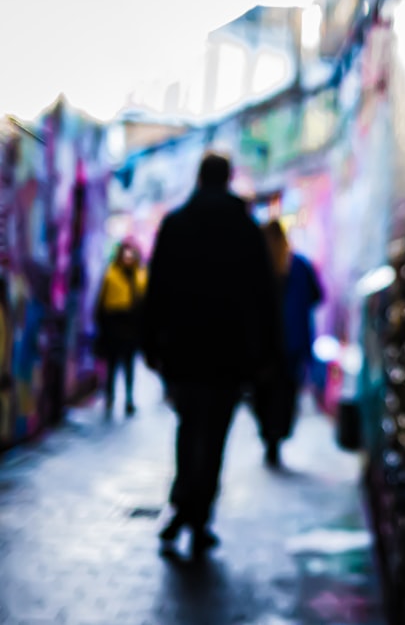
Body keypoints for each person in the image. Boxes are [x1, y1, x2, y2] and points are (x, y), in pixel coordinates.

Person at [141, 152, 280, 559]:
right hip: (230, 355)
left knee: (188, 429)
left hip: (183, 352)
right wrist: (267, 353)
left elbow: (157, 291)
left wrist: (151, 345)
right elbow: (263, 297)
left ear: (200, 179)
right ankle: (201, 516)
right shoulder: (246, 230)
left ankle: (183, 504)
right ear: (229, 179)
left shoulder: (176, 224)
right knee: (216, 435)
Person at [256, 220, 323, 467]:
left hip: (265, 343)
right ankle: (278, 434)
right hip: (292, 342)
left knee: (264, 392)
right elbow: (317, 296)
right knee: (286, 391)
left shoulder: (258, 267)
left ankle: (269, 436)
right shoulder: (300, 264)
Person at [95, 240, 146, 417]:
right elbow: (102, 304)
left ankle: (129, 399)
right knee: (113, 365)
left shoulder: (141, 275)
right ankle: (110, 398)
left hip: (132, 328)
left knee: (129, 365)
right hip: (114, 326)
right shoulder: (111, 275)